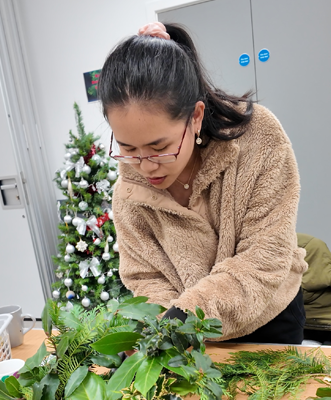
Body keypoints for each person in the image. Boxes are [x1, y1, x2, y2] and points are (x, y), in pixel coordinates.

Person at [102, 22, 307, 343]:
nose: (146, 166)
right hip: (184, 328)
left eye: (159, 147)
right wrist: (159, 324)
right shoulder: (129, 193)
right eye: (128, 148)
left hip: (268, 314)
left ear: (195, 117)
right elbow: (145, 275)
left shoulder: (259, 139)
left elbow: (265, 256)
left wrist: (181, 320)